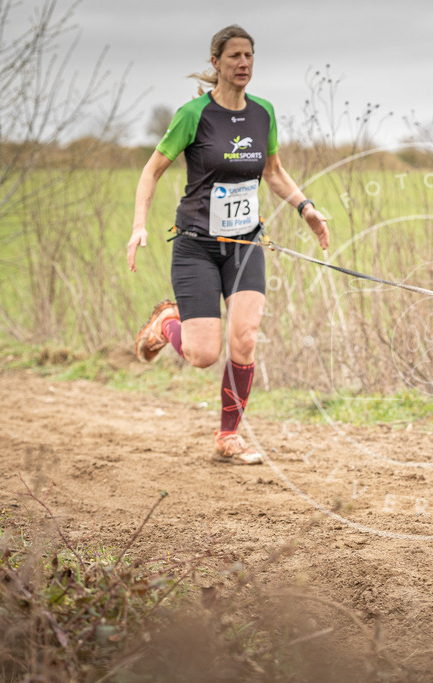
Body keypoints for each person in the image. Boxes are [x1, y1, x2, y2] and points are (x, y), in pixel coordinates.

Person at [127, 25, 329, 464]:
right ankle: (166, 323)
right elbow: (151, 171)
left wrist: (305, 208)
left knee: (245, 340)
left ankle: (228, 436)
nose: (243, 63)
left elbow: (273, 172)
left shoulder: (263, 113)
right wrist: (139, 225)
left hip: (245, 244)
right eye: (234, 56)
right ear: (216, 62)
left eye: (249, 56)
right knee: (203, 355)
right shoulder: (193, 115)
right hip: (197, 246)